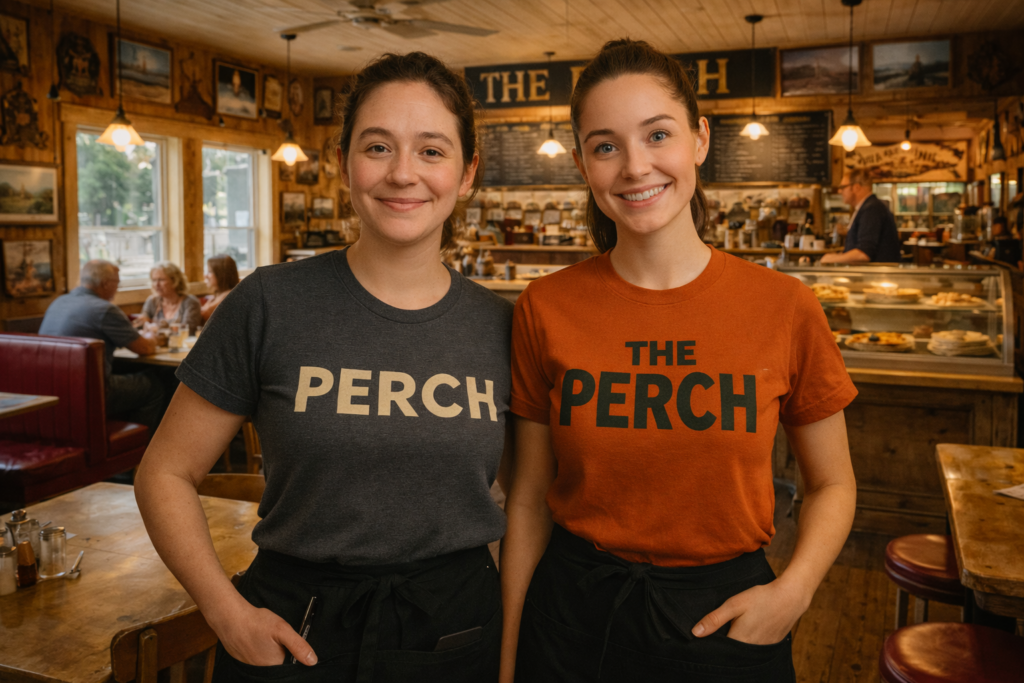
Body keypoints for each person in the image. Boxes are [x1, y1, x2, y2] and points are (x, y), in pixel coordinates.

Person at [135, 52, 511, 683]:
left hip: (454, 627)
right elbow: (164, 473)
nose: (402, 174)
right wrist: (226, 613)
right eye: (377, 147)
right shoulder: (268, 302)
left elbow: (530, 499)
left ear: (467, 172)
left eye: (432, 151)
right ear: (343, 163)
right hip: (289, 624)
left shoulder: (502, 326)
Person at [499, 39, 858, 683]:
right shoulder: (545, 306)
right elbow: (526, 499)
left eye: (657, 134)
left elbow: (832, 484)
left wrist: (794, 592)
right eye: (605, 145)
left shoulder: (786, 306)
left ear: (699, 140)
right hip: (572, 614)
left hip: (727, 618)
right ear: (584, 164)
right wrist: (510, 654)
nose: (635, 167)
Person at [38, 260, 165, 431]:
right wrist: (152, 335)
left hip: (50, 388)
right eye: (117, 283)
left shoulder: (59, 302)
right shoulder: (105, 310)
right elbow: (145, 349)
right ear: (106, 283)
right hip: (90, 392)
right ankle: (142, 444)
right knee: (157, 384)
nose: (117, 288)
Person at [820, 168, 901, 264]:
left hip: (875, 277)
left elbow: (863, 254)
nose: (839, 191)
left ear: (856, 187)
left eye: (843, 187)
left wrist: (829, 259)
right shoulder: (867, 207)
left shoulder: (871, 209)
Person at [135, 261, 203, 333]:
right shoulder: (152, 301)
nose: (156, 284)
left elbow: (188, 329)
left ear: (175, 280)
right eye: (154, 280)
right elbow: (139, 325)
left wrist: (158, 329)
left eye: (161, 280)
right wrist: (140, 322)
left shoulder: (190, 302)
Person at [200, 254, 240, 322]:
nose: (205, 276)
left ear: (221, 274)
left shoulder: (228, 297)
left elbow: (204, 314)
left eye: (210, 272)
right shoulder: (217, 295)